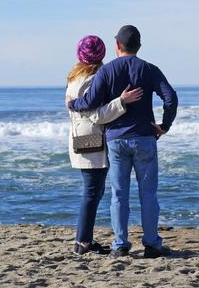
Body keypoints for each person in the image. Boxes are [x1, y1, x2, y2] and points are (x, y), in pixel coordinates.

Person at [67, 25, 178, 258]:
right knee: (148, 194)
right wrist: (164, 125)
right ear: (139, 46)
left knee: (119, 194)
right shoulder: (149, 69)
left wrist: (72, 104)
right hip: (145, 138)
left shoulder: (106, 71)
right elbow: (170, 97)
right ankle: (151, 243)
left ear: (117, 46)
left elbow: (89, 103)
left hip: (116, 140)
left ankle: (120, 245)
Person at [65, 35, 144, 255]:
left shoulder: (74, 77)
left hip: (79, 138)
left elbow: (77, 109)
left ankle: (84, 240)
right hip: (93, 140)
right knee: (92, 192)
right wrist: (122, 102)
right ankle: (82, 243)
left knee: (93, 191)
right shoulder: (92, 78)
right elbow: (96, 115)